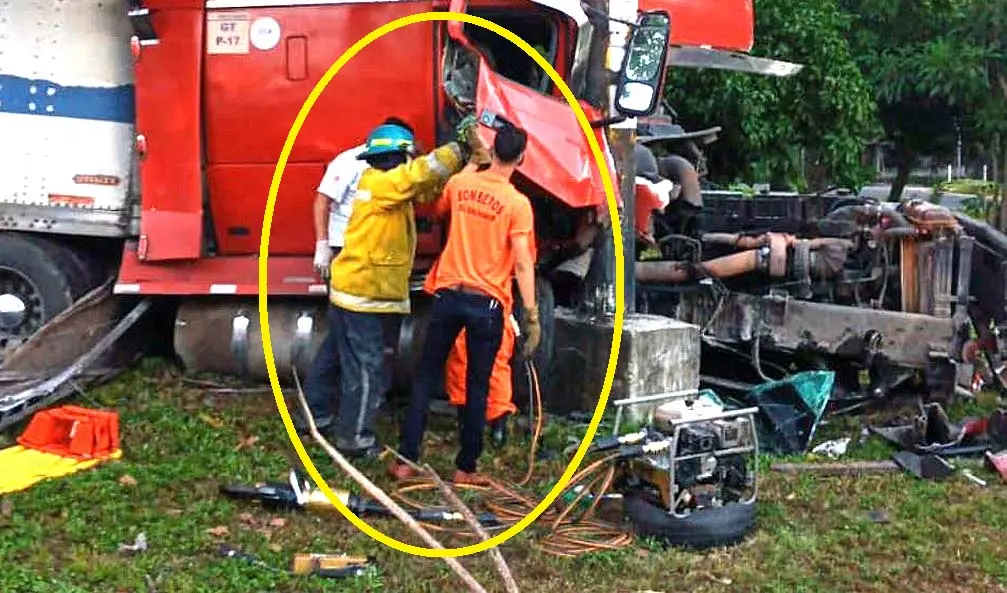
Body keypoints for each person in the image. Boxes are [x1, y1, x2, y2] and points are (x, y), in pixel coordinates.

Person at [321, 118, 485, 458]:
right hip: (364, 295)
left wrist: (466, 167)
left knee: (339, 358)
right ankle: (354, 440)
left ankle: (320, 415)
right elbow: (420, 174)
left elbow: (425, 188)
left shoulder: (385, 184)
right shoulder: (382, 184)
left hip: (359, 291)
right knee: (367, 369)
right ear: (400, 157)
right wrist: (461, 147)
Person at [389, 123, 540, 484]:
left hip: (447, 295)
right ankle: (465, 468)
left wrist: (474, 163)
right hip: (485, 304)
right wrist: (532, 315)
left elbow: (440, 209)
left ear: (493, 149)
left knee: (426, 376)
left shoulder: (461, 184)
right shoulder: (518, 204)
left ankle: (406, 460)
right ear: (521, 157)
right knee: (478, 384)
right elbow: (521, 261)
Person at [300, 117, 415, 435]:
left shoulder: (390, 170)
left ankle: (318, 411)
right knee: (357, 347)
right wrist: (322, 244)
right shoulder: (350, 162)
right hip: (347, 254)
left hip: (365, 257)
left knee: (341, 341)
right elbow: (322, 199)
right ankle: (347, 426)